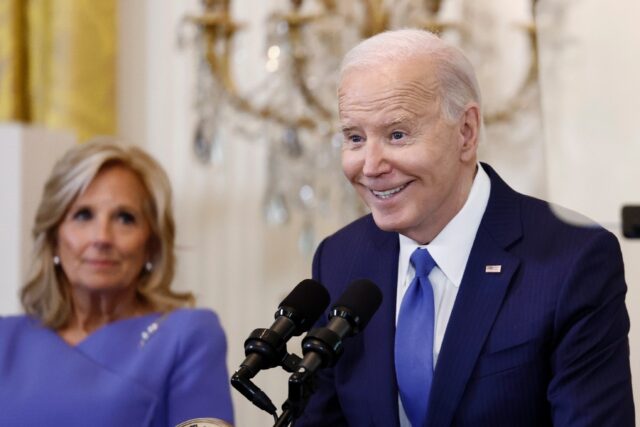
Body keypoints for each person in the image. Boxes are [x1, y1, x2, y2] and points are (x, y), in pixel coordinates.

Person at [296, 29, 634, 426]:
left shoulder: (573, 260)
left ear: (466, 132)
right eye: (354, 137)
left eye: (397, 134)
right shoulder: (340, 258)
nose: (370, 166)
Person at [0, 139, 234, 426]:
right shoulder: (5, 339)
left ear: (151, 244)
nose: (102, 238)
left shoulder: (187, 336)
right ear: (54, 238)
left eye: (125, 218)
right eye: (83, 215)